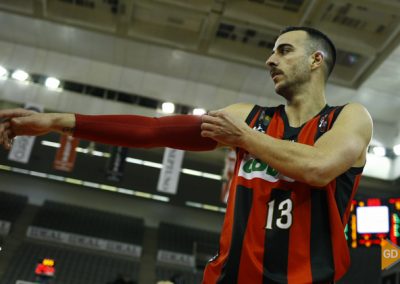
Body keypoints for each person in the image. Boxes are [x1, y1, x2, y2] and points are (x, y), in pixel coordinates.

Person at [0, 26, 372, 283]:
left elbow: (318, 167)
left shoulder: (349, 117)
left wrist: (245, 139)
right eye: (272, 51)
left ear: (316, 60)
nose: (270, 60)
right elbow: (151, 130)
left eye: (284, 50)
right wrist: (54, 120)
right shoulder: (248, 117)